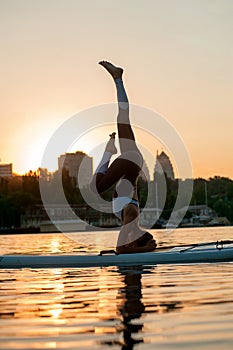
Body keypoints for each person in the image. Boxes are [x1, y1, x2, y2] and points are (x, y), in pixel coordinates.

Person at [90, 61, 156, 254]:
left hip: (133, 163)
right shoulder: (131, 217)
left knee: (123, 117)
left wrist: (145, 248)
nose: (128, 240)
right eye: (132, 242)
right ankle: (109, 151)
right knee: (95, 188)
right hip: (129, 162)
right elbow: (119, 249)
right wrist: (144, 251)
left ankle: (118, 79)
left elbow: (124, 247)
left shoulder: (133, 221)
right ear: (135, 241)